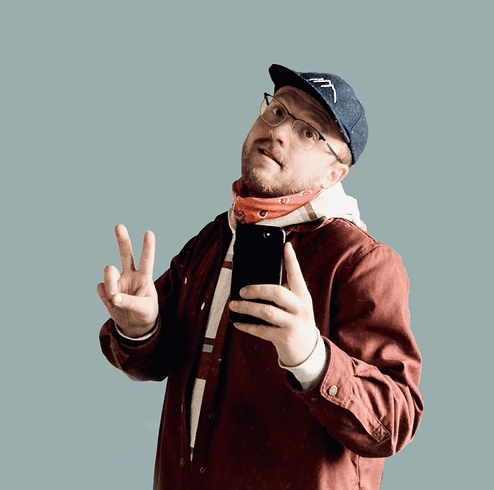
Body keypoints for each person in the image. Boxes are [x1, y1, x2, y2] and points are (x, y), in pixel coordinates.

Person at [97, 64, 423, 490]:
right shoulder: (215, 237)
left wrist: (311, 357)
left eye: (309, 133)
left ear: (334, 174)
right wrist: (140, 329)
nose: (280, 131)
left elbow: (394, 422)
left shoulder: (363, 262)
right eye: (279, 111)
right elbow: (154, 363)